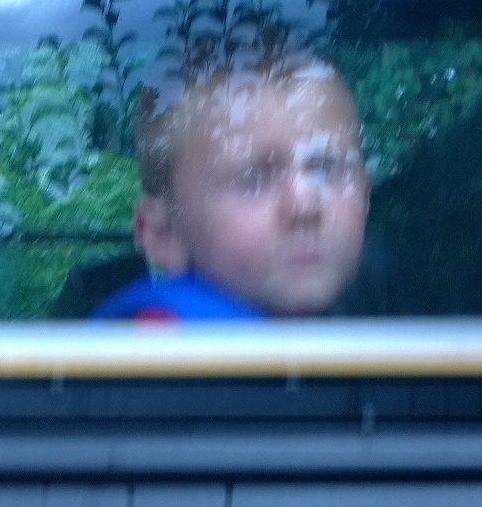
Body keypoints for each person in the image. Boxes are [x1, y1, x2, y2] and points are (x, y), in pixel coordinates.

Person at [91, 46, 369, 321]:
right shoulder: (162, 340)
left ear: (366, 196)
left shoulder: (386, 312)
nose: (305, 204)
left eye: (326, 169)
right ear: (164, 233)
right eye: (252, 180)